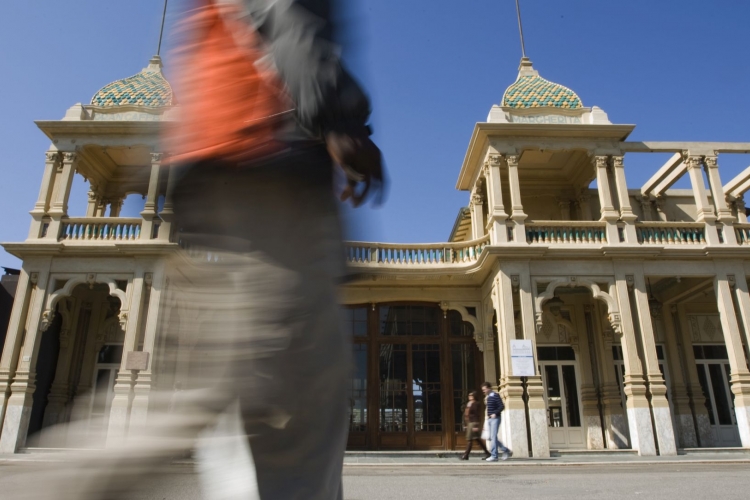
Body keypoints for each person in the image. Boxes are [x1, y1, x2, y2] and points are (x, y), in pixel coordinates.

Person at [11, 1, 383, 499]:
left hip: (227, 176)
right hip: (273, 173)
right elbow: (287, 14)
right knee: (293, 408)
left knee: (239, 391)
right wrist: (336, 119)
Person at [481, 381, 512, 462]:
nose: (483, 391)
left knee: (493, 437)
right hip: (489, 419)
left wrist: (495, 413)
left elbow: (501, 406)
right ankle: (505, 450)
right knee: (491, 437)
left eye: (484, 389)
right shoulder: (488, 397)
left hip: (495, 418)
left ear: (488, 388)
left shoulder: (495, 395)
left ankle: (494, 456)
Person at [459, 390, 490, 460]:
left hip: (473, 423)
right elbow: (466, 414)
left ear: (474, 396)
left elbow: (477, 414)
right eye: (469, 395)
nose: (469, 396)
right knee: (477, 439)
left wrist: (476, 425)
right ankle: (487, 453)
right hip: (469, 422)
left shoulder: (476, 404)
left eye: (471, 395)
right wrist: (465, 423)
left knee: (470, 439)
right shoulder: (469, 403)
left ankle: (466, 455)